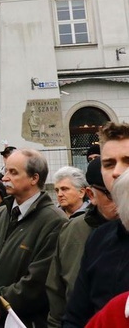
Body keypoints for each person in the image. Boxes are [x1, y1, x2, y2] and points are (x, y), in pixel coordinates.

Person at [0, 148, 66, 327]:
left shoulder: (55, 221)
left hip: (26, 320)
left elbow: (38, 280)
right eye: (6, 170)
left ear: (34, 178)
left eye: (13, 172)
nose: (5, 177)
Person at [63, 122, 129, 327]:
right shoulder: (98, 239)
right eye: (109, 164)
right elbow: (75, 316)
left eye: (127, 161)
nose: (117, 172)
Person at [46, 157, 118, 328]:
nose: (121, 200)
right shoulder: (71, 230)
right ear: (91, 195)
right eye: (111, 194)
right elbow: (56, 289)